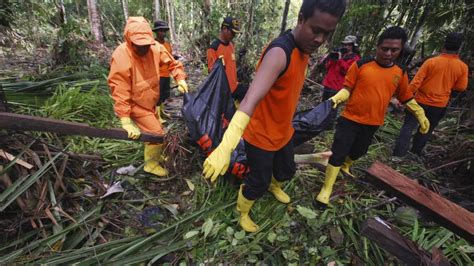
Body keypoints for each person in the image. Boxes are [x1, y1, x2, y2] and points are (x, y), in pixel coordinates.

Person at [202, 0, 347, 232]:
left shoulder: (305, 48)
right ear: (301, 19)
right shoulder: (280, 52)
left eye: (327, 34)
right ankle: (243, 212)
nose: (320, 39)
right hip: (260, 134)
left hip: (283, 130)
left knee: (286, 170)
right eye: (316, 30)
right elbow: (250, 99)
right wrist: (227, 145)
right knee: (256, 182)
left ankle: (274, 185)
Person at [314, 26, 430, 208]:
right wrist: (334, 100)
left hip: (373, 122)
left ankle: (346, 165)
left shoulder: (400, 72)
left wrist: (419, 113)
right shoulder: (361, 65)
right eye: (385, 49)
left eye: (394, 50)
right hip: (349, 119)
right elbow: (347, 89)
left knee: (359, 151)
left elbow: (405, 95)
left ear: (400, 50)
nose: (389, 53)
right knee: (338, 152)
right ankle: (326, 189)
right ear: (377, 46)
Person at [108, 17, 188, 177]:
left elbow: (173, 63)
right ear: (130, 40)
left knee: (157, 131)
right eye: (139, 45)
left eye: (146, 44)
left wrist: (180, 79)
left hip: (150, 101)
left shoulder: (155, 48)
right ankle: (150, 165)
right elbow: (119, 88)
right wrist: (125, 119)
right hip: (135, 104)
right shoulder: (122, 55)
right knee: (156, 133)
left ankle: (155, 154)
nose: (143, 48)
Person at [392, 33, 468, 157]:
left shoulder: (431, 62)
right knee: (427, 128)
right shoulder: (463, 67)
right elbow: (461, 87)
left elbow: (415, 83)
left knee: (408, 126)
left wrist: (404, 98)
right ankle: (415, 153)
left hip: (419, 101)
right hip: (439, 105)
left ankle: (398, 154)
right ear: (459, 47)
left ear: (444, 45)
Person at [207, 17, 248, 102]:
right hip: (222, 92)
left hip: (234, 87)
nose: (233, 36)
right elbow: (213, 74)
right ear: (224, 29)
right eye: (232, 32)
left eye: (235, 33)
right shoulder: (213, 48)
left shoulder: (231, 45)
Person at [321, 35, 360, 101]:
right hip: (328, 84)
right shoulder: (338, 53)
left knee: (332, 108)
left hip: (337, 87)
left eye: (348, 45)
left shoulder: (355, 58)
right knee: (323, 106)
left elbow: (347, 71)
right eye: (345, 44)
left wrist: (340, 60)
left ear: (353, 46)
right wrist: (331, 58)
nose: (346, 46)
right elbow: (327, 67)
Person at [152, 20, 177, 122]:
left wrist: (174, 58)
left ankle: (162, 112)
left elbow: (169, 56)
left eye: (164, 31)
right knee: (157, 95)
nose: (162, 33)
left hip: (167, 74)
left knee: (164, 95)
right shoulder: (153, 44)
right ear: (156, 32)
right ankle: (157, 116)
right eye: (160, 31)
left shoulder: (167, 44)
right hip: (158, 74)